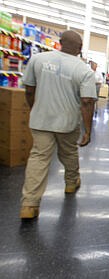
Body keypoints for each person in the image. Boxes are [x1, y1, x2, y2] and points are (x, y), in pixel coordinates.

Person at [19, 30, 97, 219]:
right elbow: (87, 102)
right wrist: (87, 131)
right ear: (80, 49)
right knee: (68, 152)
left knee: (39, 157)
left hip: (41, 120)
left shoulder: (38, 60)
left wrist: (34, 109)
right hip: (67, 122)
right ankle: (71, 183)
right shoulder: (84, 70)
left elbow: (29, 90)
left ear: (60, 42)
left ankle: (29, 204)